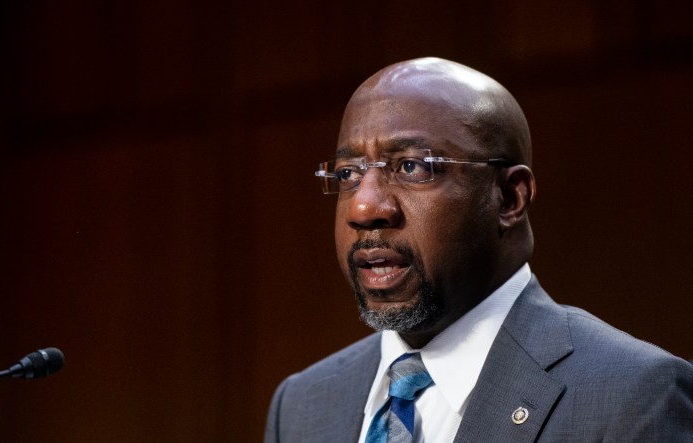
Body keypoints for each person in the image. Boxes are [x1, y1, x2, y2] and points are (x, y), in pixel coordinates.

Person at [263, 57, 693, 442]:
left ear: (509, 198)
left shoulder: (633, 396)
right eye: (349, 173)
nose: (364, 207)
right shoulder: (302, 406)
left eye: (412, 167)